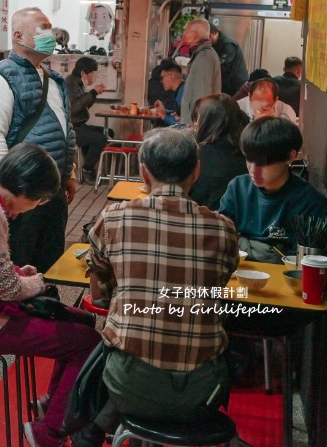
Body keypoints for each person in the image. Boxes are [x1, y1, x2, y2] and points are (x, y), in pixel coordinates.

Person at [0, 143, 102, 447]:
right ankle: (48, 434)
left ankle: (52, 407)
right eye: (38, 200)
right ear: (27, 191)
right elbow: (6, 289)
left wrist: (17, 273)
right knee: (87, 342)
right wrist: (36, 282)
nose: (35, 207)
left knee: (84, 321)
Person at [87, 127, 238, 426]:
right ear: (196, 170)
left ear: (143, 173)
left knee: (108, 339)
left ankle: (85, 426)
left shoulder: (114, 218)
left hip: (127, 386)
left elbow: (100, 286)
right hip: (203, 392)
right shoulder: (223, 229)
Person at [0, 7, 77, 272]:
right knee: (19, 265)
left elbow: (65, 129)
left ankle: (43, 311)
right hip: (21, 196)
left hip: (51, 193)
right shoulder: (1, 79)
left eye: (50, 28)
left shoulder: (53, 80)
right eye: (42, 29)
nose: (51, 35)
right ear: (19, 36)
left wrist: (68, 173)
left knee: (49, 264)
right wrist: (8, 192)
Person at [218, 117, 327, 263]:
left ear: (290, 157)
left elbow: (302, 262)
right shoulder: (238, 187)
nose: (253, 169)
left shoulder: (310, 203)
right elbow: (221, 237)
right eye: (249, 159)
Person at [189, 94, 248, 211]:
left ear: (207, 121)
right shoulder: (248, 154)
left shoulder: (196, 155)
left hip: (204, 222)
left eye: (198, 118)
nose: (195, 123)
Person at [65, 56, 107, 184]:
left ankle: (89, 169)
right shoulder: (70, 83)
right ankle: (88, 169)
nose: (93, 77)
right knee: (100, 139)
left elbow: (84, 106)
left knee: (107, 132)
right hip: (71, 128)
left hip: (81, 125)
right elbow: (75, 107)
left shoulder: (78, 82)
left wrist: (93, 95)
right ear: (83, 73)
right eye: (92, 74)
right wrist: (93, 92)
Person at [179, 18, 221, 125]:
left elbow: (202, 95)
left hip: (196, 127)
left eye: (185, 33)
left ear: (192, 36)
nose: (183, 36)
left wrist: (196, 126)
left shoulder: (204, 57)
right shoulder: (201, 55)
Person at [209, 23, 248, 96]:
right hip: (226, 85)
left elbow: (223, 67)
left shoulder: (228, 45)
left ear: (213, 33)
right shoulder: (214, 44)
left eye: (207, 37)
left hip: (236, 86)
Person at [151, 59, 184, 126]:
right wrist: (164, 111)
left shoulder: (184, 94)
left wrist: (164, 116)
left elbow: (182, 124)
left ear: (171, 77)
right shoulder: (181, 90)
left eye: (162, 77)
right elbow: (178, 113)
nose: (161, 81)